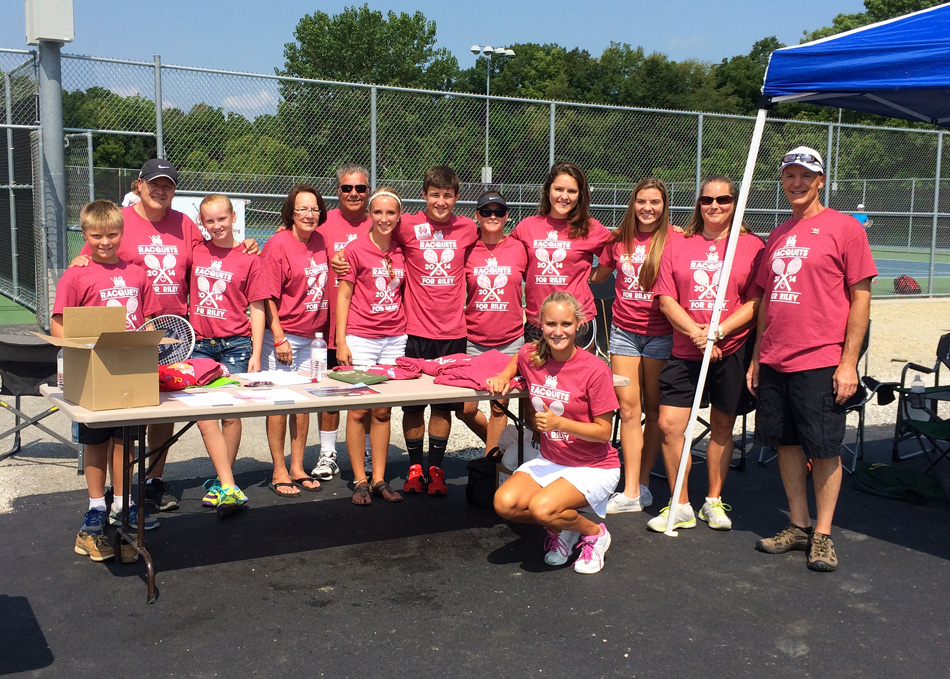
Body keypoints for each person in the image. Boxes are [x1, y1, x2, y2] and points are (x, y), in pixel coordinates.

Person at [73, 159, 258, 513]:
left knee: (163, 411)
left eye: (168, 185)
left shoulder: (185, 224)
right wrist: (79, 263)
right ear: (138, 185)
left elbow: (217, 247)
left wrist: (246, 244)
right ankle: (119, 494)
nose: (161, 190)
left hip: (174, 334)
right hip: (130, 334)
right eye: (154, 183)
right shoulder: (119, 223)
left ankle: (153, 481)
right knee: (128, 417)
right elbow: (91, 255)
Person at [748, 146, 876, 572]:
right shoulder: (778, 233)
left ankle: (823, 535)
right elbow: (765, 301)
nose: (797, 183)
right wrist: (755, 358)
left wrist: (848, 362)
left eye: (806, 175)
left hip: (821, 360)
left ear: (821, 180)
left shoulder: (845, 228)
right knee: (785, 444)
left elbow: (861, 299)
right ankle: (798, 526)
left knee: (822, 448)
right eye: (790, 176)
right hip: (775, 359)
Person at [646, 175, 764, 533]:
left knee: (722, 427)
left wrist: (719, 331)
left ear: (735, 203)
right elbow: (666, 298)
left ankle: (713, 499)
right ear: (698, 204)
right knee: (669, 425)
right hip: (686, 349)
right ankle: (680, 502)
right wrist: (699, 334)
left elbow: (755, 302)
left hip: (731, 348)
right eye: (707, 200)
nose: (714, 206)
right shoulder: (678, 244)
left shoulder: (752, 246)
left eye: (723, 199)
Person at [54, 200, 161, 560]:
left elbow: (147, 323)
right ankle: (96, 508)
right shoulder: (75, 275)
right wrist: (72, 358)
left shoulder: (137, 272)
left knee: (125, 440)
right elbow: (60, 325)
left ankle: (122, 503)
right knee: (95, 441)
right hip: (93, 377)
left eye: (112, 234)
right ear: (84, 235)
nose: (105, 242)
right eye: (96, 235)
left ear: (121, 233)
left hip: (129, 371)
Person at [488, 292, 620, 574]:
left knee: (541, 508)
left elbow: (604, 432)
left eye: (565, 324)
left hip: (594, 466)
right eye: (551, 324)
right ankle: (565, 528)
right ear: (540, 325)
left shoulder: (595, 370)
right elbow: (518, 358)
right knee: (504, 503)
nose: (558, 332)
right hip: (552, 460)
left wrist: (561, 425)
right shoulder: (531, 354)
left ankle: (594, 533)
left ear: (578, 324)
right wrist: (504, 375)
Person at [589, 178, 674, 514]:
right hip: (623, 333)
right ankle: (629, 489)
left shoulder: (674, 240)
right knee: (627, 410)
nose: (647, 208)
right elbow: (598, 275)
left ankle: (642, 485)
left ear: (664, 206)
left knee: (653, 411)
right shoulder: (619, 240)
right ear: (632, 203)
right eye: (641, 201)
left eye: (654, 202)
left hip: (661, 333)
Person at [189, 194, 269, 515]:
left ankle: (225, 484)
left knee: (230, 415)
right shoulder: (195, 251)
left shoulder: (250, 257)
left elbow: (258, 307)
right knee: (204, 416)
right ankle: (228, 483)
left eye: (222, 218)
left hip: (237, 343)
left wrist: (257, 353)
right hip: (200, 343)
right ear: (202, 224)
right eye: (210, 221)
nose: (217, 225)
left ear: (234, 217)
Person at [336, 188, 408, 505]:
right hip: (361, 337)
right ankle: (359, 479)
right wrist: (341, 340)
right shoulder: (355, 250)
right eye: (378, 212)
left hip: (395, 338)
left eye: (390, 213)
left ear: (399, 216)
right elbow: (344, 295)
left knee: (382, 410)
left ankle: (379, 478)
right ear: (369, 214)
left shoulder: (404, 249)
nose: (384, 218)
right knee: (358, 409)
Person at [261, 185, 329, 498]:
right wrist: (278, 338)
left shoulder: (321, 241)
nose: (308, 214)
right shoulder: (278, 244)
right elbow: (268, 297)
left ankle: (298, 466)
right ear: (291, 212)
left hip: (313, 338)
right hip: (284, 337)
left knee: (304, 405)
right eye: (302, 208)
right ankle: (278, 468)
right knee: (280, 405)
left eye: (313, 208)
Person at [311, 164, 372, 482]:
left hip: (366, 328)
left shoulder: (379, 222)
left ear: (368, 191)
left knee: (368, 397)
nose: (353, 194)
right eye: (347, 188)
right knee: (331, 395)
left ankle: (365, 453)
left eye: (360, 188)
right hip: (330, 324)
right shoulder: (323, 223)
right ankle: (327, 452)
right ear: (338, 191)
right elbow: (296, 241)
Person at [510, 162, 612, 350]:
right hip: (537, 321)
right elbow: (506, 255)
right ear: (548, 190)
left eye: (572, 191)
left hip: (576, 322)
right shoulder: (527, 226)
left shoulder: (590, 228)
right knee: (537, 379)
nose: (564, 196)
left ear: (580, 195)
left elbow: (620, 249)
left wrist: (596, 275)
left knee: (575, 378)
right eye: (558, 189)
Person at [456, 190, 527, 455]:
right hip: (473, 339)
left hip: (510, 340)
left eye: (498, 212)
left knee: (500, 406)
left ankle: (491, 463)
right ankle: (499, 446)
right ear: (477, 215)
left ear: (507, 216)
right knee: (465, 409)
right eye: (486, 211)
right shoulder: (467, 249)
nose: (492, 216)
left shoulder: (519, 248)